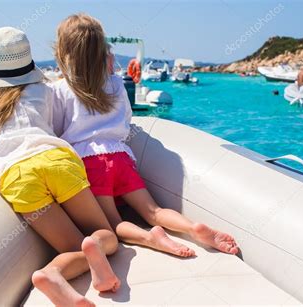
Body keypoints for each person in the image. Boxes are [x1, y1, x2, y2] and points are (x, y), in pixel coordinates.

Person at [52, 14, 239, 258]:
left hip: (90, 163)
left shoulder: (60, 89)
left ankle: (149, 237)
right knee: (154, 211)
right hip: (120, 155)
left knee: (112, 225)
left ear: (64, 51)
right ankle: (192, 228)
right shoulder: (116, 83)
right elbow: (126, 120)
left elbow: (56, 133)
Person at [0, 27, 121, 307]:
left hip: (17, 175)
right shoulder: (42, 89)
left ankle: (52, 274)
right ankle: (76, 259)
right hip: (55, 160)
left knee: (72, 248)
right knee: (106, 237)